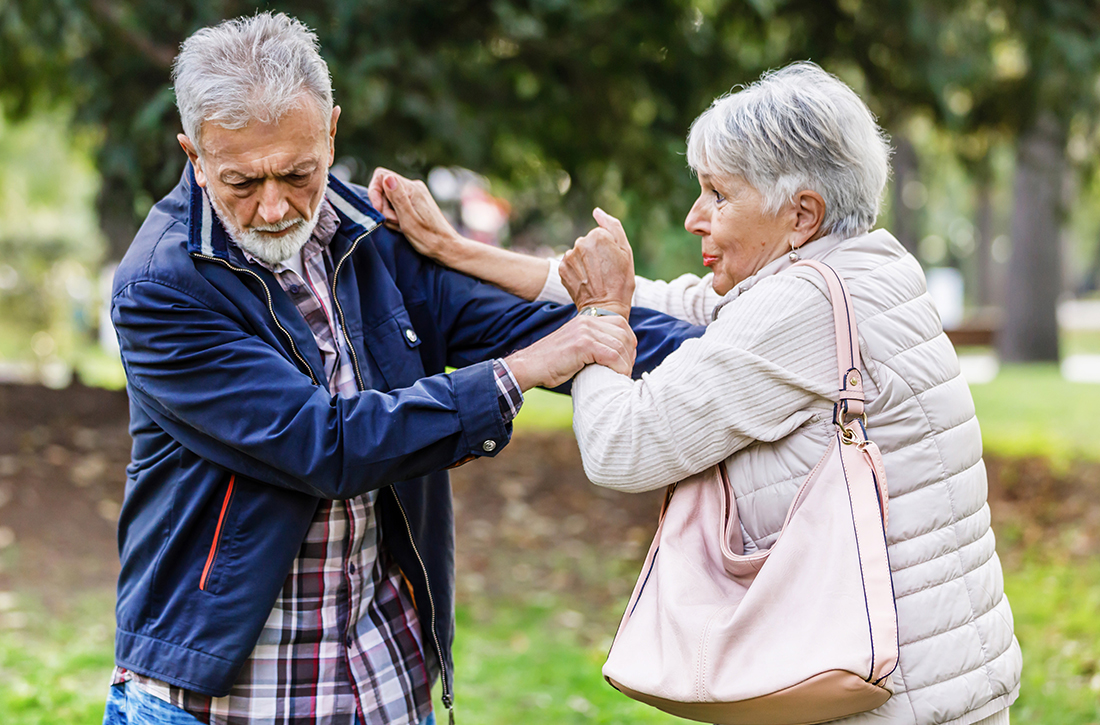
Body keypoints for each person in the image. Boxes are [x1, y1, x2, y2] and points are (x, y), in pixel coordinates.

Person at [370, 62, 1021, 725]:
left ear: (801, 212)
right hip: (950, 672)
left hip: (887, 695)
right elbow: (669, 301)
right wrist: (457, 249)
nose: (693, 218)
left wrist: (599, 319)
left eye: (717, 195)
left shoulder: (799, 306)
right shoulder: (866, 264)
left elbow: (622, 449)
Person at [103, 12, 702, 725]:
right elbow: (325, 444)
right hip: (224, 700)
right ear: (194, 153)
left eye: (297, 174)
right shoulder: (163, 285)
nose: (272, 206)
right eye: (241, 181)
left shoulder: (373, 239)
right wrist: (521, 373)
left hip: (380, 682)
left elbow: (538, 323)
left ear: (331, 132)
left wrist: (750, 349)